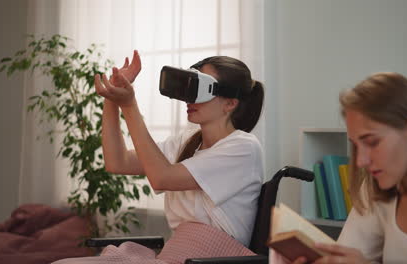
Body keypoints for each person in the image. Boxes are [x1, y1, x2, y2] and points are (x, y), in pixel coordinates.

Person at [53, 51, 265, 264]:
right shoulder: (187, 142)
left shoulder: (243, 147)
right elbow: (117, 162)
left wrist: (129, 105)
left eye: (200, 89)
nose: (189, 99)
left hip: (209, 259)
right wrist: (112, 98)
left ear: (230, 104)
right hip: (176, 256)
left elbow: (162, 177)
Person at [271, 72, 407, 264]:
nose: (360, 162)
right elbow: (345, 256)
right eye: (356, 146)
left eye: (373, 142)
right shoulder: (375, 191)